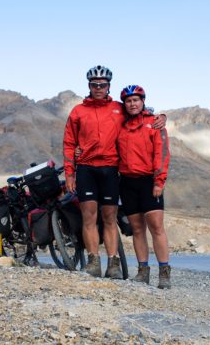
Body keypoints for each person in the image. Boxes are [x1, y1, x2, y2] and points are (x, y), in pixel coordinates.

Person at [63, 65, 165, 279]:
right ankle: (93, 261)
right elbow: (69, 143)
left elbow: (141, 115)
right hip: (87, 170)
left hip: (110, 169)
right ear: (89, 86)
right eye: (94, 84)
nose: (98, 88)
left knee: (109, 217)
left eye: (103, 84)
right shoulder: (78, 112)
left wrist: (161, 117)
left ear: (109, 86)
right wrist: (70, 172)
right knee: (89, 216)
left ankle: (113, 263)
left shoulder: (119, 108)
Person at [117, 85, 171, 289]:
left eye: (136, 100)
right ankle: (142, 271)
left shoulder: (154, 124)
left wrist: (159, 181)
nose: (132, 104)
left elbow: (162, 154)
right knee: (137, 229)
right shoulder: (120, 126)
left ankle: (164, 272)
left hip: (149, 180)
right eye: (128, 101)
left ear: (142, 102)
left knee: (156, 227)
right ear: (125, 104)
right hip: (127, 182)